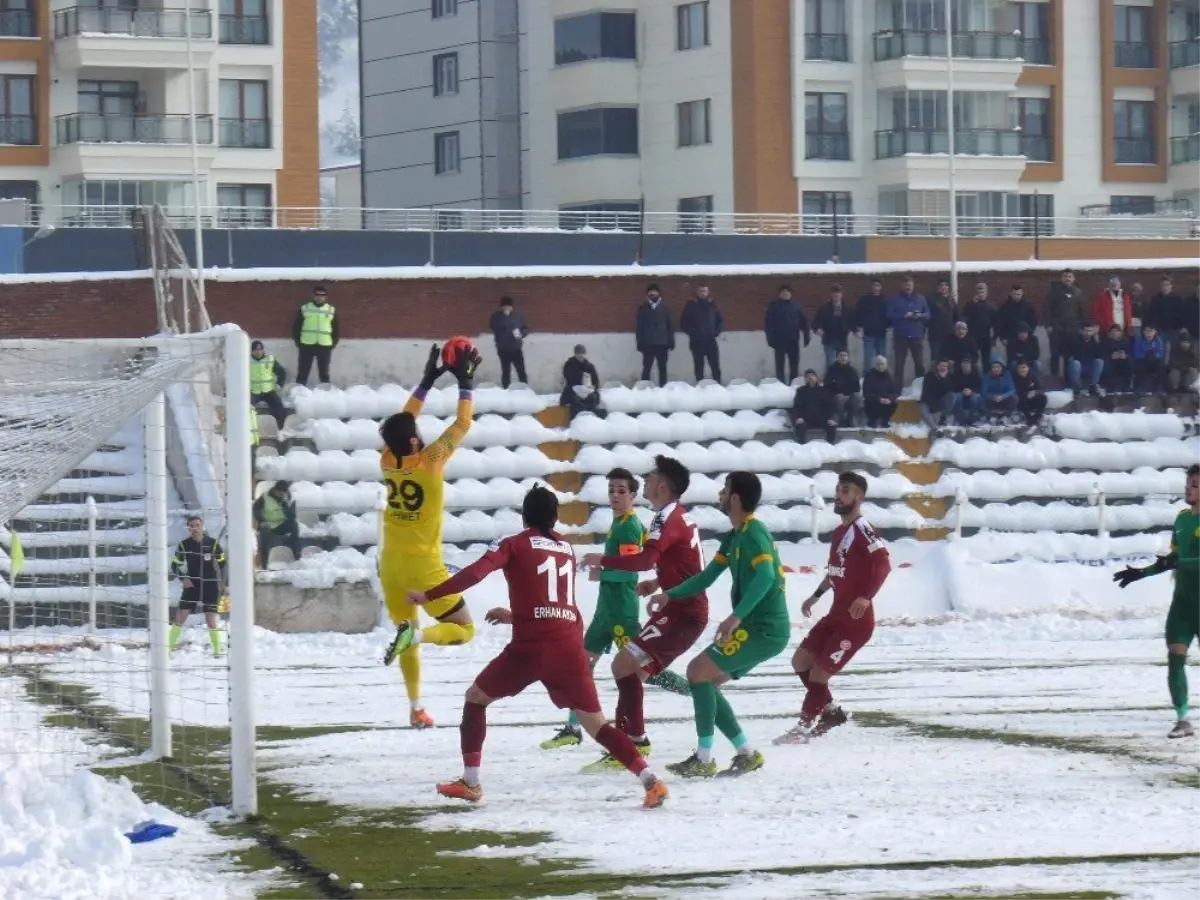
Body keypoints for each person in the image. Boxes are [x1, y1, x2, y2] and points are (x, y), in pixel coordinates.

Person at [412, 486, 669, 807]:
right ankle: (651, 781)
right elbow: (553, 604)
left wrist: (430, 595)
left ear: (524, 516)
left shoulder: (514, 543)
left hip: (531, 649)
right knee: (597, 724)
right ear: (555, 517)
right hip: (568, 646)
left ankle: (471, 782)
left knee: (475, 699)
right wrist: (514, 616)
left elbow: (477, 572)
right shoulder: (565, 548)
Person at [649, 472, 790, 777]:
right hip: (754, 627)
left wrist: (735, 616)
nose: (720, 495)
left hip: (764, 629)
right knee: (706, 682)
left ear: (735, 498)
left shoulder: (754, 532)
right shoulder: (736, 535)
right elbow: (707, 576)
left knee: (697, 672)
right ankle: (745, 753)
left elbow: (766, 577)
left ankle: (704, 759)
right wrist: (669, 595)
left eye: (724, 490)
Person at [542, 468, 690, 751]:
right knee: (581, 667)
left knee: (641, 669)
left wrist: (602, 569)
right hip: (604, 611)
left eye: (622, 491)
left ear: (634, 495)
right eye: (611, 490)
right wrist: (605, 569)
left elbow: (630, 571)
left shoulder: (629, 527)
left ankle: (694, 689)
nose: (615, 495)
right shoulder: (618, 523)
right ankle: (573, 727)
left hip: (622, 610)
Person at [577, 456, 706, 767]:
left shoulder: (662, 520)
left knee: (624, 666)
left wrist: (601, 561)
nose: (644, 483)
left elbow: (642, 561)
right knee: (629, 669)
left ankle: (632, 742)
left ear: (661, 487)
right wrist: (658, 582)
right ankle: (633, 740)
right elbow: (689, 564)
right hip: (674, 609)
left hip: (681, 613)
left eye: (648, 480)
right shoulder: (677, 516)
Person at [378, 343, 482, 729]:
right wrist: (465, 382)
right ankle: (419, 637)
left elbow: (403, 421)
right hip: (424, 566)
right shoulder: (432, 460)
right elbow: (463, 423)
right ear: (416, 441)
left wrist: (426, 381)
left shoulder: (387, 461)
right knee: (465, 630)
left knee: (404, 630)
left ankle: (416, 706)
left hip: (391, 565)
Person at [776, 471, 891, 743]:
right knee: (800, 661)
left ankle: (803, 727)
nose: (839, 496)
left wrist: (866, 597)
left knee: (818, 673)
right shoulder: (840, 532)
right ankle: (830, 712)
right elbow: (836, 570)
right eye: (838, 490)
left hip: (855, 622)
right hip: (835, 615)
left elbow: (884, 564)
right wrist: (816, 595)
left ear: (859, 497)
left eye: (846, 491)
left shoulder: (863, 529)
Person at [1112, 464, 1200, 738]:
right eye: (1188, 483)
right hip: (1183, 604)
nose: (1188, 488)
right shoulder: (1182, 519)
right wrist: (1142, 573)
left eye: (1195, 485)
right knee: (1175, 655)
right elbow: (1171, 561)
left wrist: (1180, 561)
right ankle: (1183, 719)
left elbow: (1184, 561)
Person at [169, 515, 226, 657]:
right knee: (180, 618)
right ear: (188, 528)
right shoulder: (184, 545)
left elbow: (222, 563)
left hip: (210, 585)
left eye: (197, 525)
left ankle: (217, 651)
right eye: (192, 526)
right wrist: (183, 578)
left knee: (211, 620)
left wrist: (223, 582)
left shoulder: (212, 543)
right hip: (192, 585)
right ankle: (167, 649)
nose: (195, 528)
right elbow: (175, 565)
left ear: (202, 526)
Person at [886, 275, 930, 383]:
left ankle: (919, 387)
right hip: (900, 336)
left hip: (916, 335)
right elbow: (889, 314)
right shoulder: (894, 298)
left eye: (909, 284)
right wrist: (903, 315)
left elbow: (928, 314)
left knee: (919, 363)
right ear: (901, 285)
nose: (908, 287)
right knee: (899, 364)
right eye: (905, 285)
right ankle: (897, 390)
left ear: (913, 285)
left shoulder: (920, 298)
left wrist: (919, 315)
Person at [293, 284, 338, 386]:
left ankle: (326, 395)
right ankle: (299, 393)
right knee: (302, 373)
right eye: (317, 295)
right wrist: (298, 343)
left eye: (322, 295)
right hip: (306, 345)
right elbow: (296, 327)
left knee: (324, 374)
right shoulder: (305, 308)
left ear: (325, 297)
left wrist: (333, 344)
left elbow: (336, 329)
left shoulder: (331, 310)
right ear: (313, 295)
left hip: (324, 346)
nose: (320, 297)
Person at [764, 284, 810, 384]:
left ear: (790, 293)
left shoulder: (796, 306)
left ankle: (793, 383)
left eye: (787, 291)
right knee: (780, 364)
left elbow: (804, 322)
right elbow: (768, 324)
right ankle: (781, 384)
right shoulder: (774, 306)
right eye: (783, 292)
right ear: (779, 294)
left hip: (793, 340)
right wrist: (770, 339)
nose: (785, 293)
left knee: (794, 364)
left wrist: (806, 337)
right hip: (779, 340)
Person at [680, 284, 723, 382]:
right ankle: (700, 386)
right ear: (697, 292)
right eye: (701, 291)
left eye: (705, 291)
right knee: (699, 366)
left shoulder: (712, 304)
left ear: (708, 292)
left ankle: (718, 385)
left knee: (715, 365)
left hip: (710, 340)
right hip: (696, 341)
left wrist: (715, 332)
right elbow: (683, 323)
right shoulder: (691, 305)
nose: (703, 293)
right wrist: (692, 333)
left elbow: (720, 321)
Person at [1046, 269, 1085, 377]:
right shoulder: (1054, 291)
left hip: (1072, 329)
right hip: (1056, 328)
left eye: (1069, 276)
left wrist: (1080, 326)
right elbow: (1048, 309)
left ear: (1073, 279)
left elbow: (1081, 311)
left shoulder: (1078, 292)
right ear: (1061, 278)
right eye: (1065, 276)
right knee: (1055, 355)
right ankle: (1054, 380)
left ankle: (1068, 381)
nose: (1067, 279)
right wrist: (1048, 325)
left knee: (1069, 355)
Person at [636, 283, 674, 386]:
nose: (652, 293)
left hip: (662, 343)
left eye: (654, 291)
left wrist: (671, 341)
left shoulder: (664, 307)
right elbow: (639, 327)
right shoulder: (643, 308)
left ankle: (663, 386)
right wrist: (639, 342)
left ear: (658, 293)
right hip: (647, 343)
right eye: (650, 291)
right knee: (647, 367)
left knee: (662, 367)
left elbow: (669, 325)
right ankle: (644, 386)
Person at [253, 480, 300, 561]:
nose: (281, 494)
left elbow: (292, 516)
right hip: (269, 525)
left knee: (294, 525)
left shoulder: (289, 499)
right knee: (264, 531)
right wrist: (261, 520)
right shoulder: (265, 497)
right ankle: (264, 560)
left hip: (282, 524)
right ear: (275, 490)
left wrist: (286, 506)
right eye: (279, 492)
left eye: (283, 493)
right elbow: (255, 509)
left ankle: (296, 553)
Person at [489, 296, 529, 388]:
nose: (507, 308)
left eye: (509, 306)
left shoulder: (518, 316)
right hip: (503, 349)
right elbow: (495, 328)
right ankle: (506, 389)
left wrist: (521, 334)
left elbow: (525, 328)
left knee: (521, 370)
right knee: (506, 371)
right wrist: (511, 327)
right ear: (501, 307)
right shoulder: (496, 317)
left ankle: (526, 389)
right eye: (505, 306)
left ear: (512, 307)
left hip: (516, 348)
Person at [560, 344, 605, 420]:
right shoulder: (569, 364)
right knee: (576, 400)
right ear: (575, 354)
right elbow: (568, 376)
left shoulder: (589, 366)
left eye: (582, 354)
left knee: (593, 398)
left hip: (587, 390)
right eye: (578, 355)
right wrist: (581, 375)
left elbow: (595, 381)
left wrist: (593, 387)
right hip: (572, 390)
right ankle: (576, 420)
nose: (581, 357)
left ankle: (593, 419)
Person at [791, 369, 836, 444]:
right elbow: (797, 406)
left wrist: (831, 418)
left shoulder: (824, 390)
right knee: (799, 425)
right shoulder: (801, 391)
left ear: (816, 378)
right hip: (806, 419)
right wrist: (798, 417)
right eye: (808, 376)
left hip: (822, 419)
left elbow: (830, 406)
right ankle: (801, 445)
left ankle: (830, 446)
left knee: (831, 425)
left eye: (812, 375)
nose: (810, 378)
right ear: (805, 379)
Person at [813, 284, 852, 370]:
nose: (836, 295)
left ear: (842, 295)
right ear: (831, 295)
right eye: (835, 293)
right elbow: (816, 322)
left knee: (844, 362)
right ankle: (830, 381)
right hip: (829, 339)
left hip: (842, 339)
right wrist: (818, 329)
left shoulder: (847, 308)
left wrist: (855, 330)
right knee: (830, 363)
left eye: (838, 293)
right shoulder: (825, 307)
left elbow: (852, 321)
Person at [250, 340, 287, 427]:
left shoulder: (270, 359)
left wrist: (279, 384)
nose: (258, 352)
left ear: (263, 350)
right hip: (254, 392)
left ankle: (279, 428)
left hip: (269, 391)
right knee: (247, 407)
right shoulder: (247, 361)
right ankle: (251, 427)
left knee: (279, 405)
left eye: (260, 350)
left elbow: (282, 372)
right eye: (256, 350)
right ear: (252, 351)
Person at [854, 278, 889, 366]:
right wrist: (860, 327)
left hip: (881, 334)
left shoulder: (885, 300)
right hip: (868, 334)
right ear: (871, 287)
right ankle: (866, 378)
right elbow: (858, 314)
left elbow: (889, 315)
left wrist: (888, 325)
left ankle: (882, 378)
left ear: (881, 287)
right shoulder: (864, 300)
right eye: (874, 285)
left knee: (882, 359)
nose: (875, 288)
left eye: (878, 286)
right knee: (868, 359)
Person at [824, 347, 862, 427]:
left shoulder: (852, 370)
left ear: (848, 357)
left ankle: (850, 418)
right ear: (837, 357)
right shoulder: (831, 370)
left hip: (850, 395)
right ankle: (842, 420)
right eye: (841, 355)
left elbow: (856, 387)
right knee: (839, 398)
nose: (843, 358)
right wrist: (838, 393)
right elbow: (827, 386)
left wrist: (848, 395)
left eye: (845, 355)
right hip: (836, 396)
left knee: (858, 397)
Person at [1065, 321, 1104, 394]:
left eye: (1090, 331)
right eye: (1086, 331)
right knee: (1076, 363)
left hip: (1089, 365)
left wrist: (1097, 342)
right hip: (1076, 365)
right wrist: (1084, 342)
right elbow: (1077, 355)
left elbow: (1100, 356)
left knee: (1099, 362)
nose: (1088, 333)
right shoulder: (1075, 339)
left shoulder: (1095, 341)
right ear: (1082, 331)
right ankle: (1077, 388)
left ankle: (1093, 386)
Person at [960, 281, 994, 366]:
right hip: (973, 336)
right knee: (972, 358)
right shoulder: (970, 304)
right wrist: (972, 303)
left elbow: (996, 321)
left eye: (983, 292)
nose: (981, 294)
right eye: (978, 292)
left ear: (986, 292)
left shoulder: (991, 306)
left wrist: (994, 336)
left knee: (986, 359)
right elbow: (964, 316)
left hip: (986, 336)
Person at [993, 284, 1037, 349]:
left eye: (1018, 294)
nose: (1016, 296)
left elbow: (1033, 322)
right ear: (1011, 294)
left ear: (1022, 293)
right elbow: (999, 323)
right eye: (1015, 294)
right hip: (1010, 338)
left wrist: (1029, 334)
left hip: (1024, 338)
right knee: (1012, 358)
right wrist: (1002, 337)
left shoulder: (1027, 307)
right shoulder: (1005, 307)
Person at [919, 358, 954, 433]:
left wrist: (943, 379)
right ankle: (935, 429)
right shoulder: (929, 376)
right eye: (941, 365)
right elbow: (927, 393)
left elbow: (949, 391)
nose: (943, 368)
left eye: (945, 366)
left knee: (952, 396)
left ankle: (942, 419)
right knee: (923, 409)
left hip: (939, 404)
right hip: (927, 402)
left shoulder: (949, 377)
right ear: (937, 366)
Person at [927, 278, 955, 366]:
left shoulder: (951, 300)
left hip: (949, 335)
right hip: (935, 335)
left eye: (946, 285)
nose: (943, 287)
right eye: (941, 285)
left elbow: (956, 317)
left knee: (949, 359)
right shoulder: (931, 300)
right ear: (938, 287)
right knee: (935, 359)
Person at [949, 357, 985, 426]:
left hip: (973, 393)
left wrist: (971, 391)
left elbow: (979, 387)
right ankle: (960, 419)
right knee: (957, 397)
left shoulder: (976, 373)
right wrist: (962, 391)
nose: (966, 365)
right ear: (961, 364)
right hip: (960, 393)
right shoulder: (956, 374)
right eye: (964, 363)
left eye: (968, 363)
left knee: (975, 397)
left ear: (971, 364)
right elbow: (953, 387)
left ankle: (973, 419)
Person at [1132, 324, 1166, 393]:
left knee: (1161, 365)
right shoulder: (1139, 339)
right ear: (1143, 332)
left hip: (1154, 361)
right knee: (1138, 365)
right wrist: (1145, 356)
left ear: (1155, 332)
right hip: (1143, 361)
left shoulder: (1158, 340)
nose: (1148, 333)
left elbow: (1161, 352)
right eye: (1146, 331)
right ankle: (1138, 387)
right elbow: (1136, 353)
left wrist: (1155, 356)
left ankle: (1160, 387)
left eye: (1151, 331)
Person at [1013, 359, 1047, 426]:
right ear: (1017, 369)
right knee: (1020, 399)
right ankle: (1028, 417)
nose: (1022, 370)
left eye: (1024, 367)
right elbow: (1015, 391)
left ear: (1028, 368)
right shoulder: (1015, 378)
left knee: (1043, 398)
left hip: (1033, 399)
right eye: (1020, 368)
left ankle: (1037, 416)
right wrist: (1026, 393)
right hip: (1022, 401)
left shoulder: (1034, 376)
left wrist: (1035, 392)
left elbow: (1042, 388)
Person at [1101, 323, 1133, 393]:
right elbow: (1101, 354)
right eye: (1113, 331)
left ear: (1121, 333)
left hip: (1122, 361)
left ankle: (1129, 385)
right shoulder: (1105, 342)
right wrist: (1111, 356)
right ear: (1109, 333)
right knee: (1105, 363)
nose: (1115, 333)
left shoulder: (1126, 342)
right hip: (1110, 361)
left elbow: (1130, 353)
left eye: (1117, 331)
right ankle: (1106, 387)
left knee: (1130, 362)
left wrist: (1125, 356)